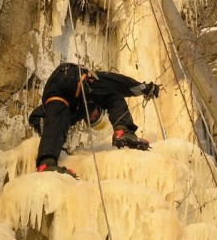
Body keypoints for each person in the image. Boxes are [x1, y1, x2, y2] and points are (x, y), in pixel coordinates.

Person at [29, 63, 160, 177]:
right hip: (72, 76)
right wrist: (143, 88)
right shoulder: (91, 87)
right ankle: (122, 130)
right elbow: (116, 82)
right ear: (100, 109)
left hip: (54, 92)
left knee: (58, 122)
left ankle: (46, 164)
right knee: (113, 93)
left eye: (91, 120)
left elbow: (37, 117)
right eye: (96, 116)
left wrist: (51, 141)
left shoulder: (74, 112)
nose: (92, 117)